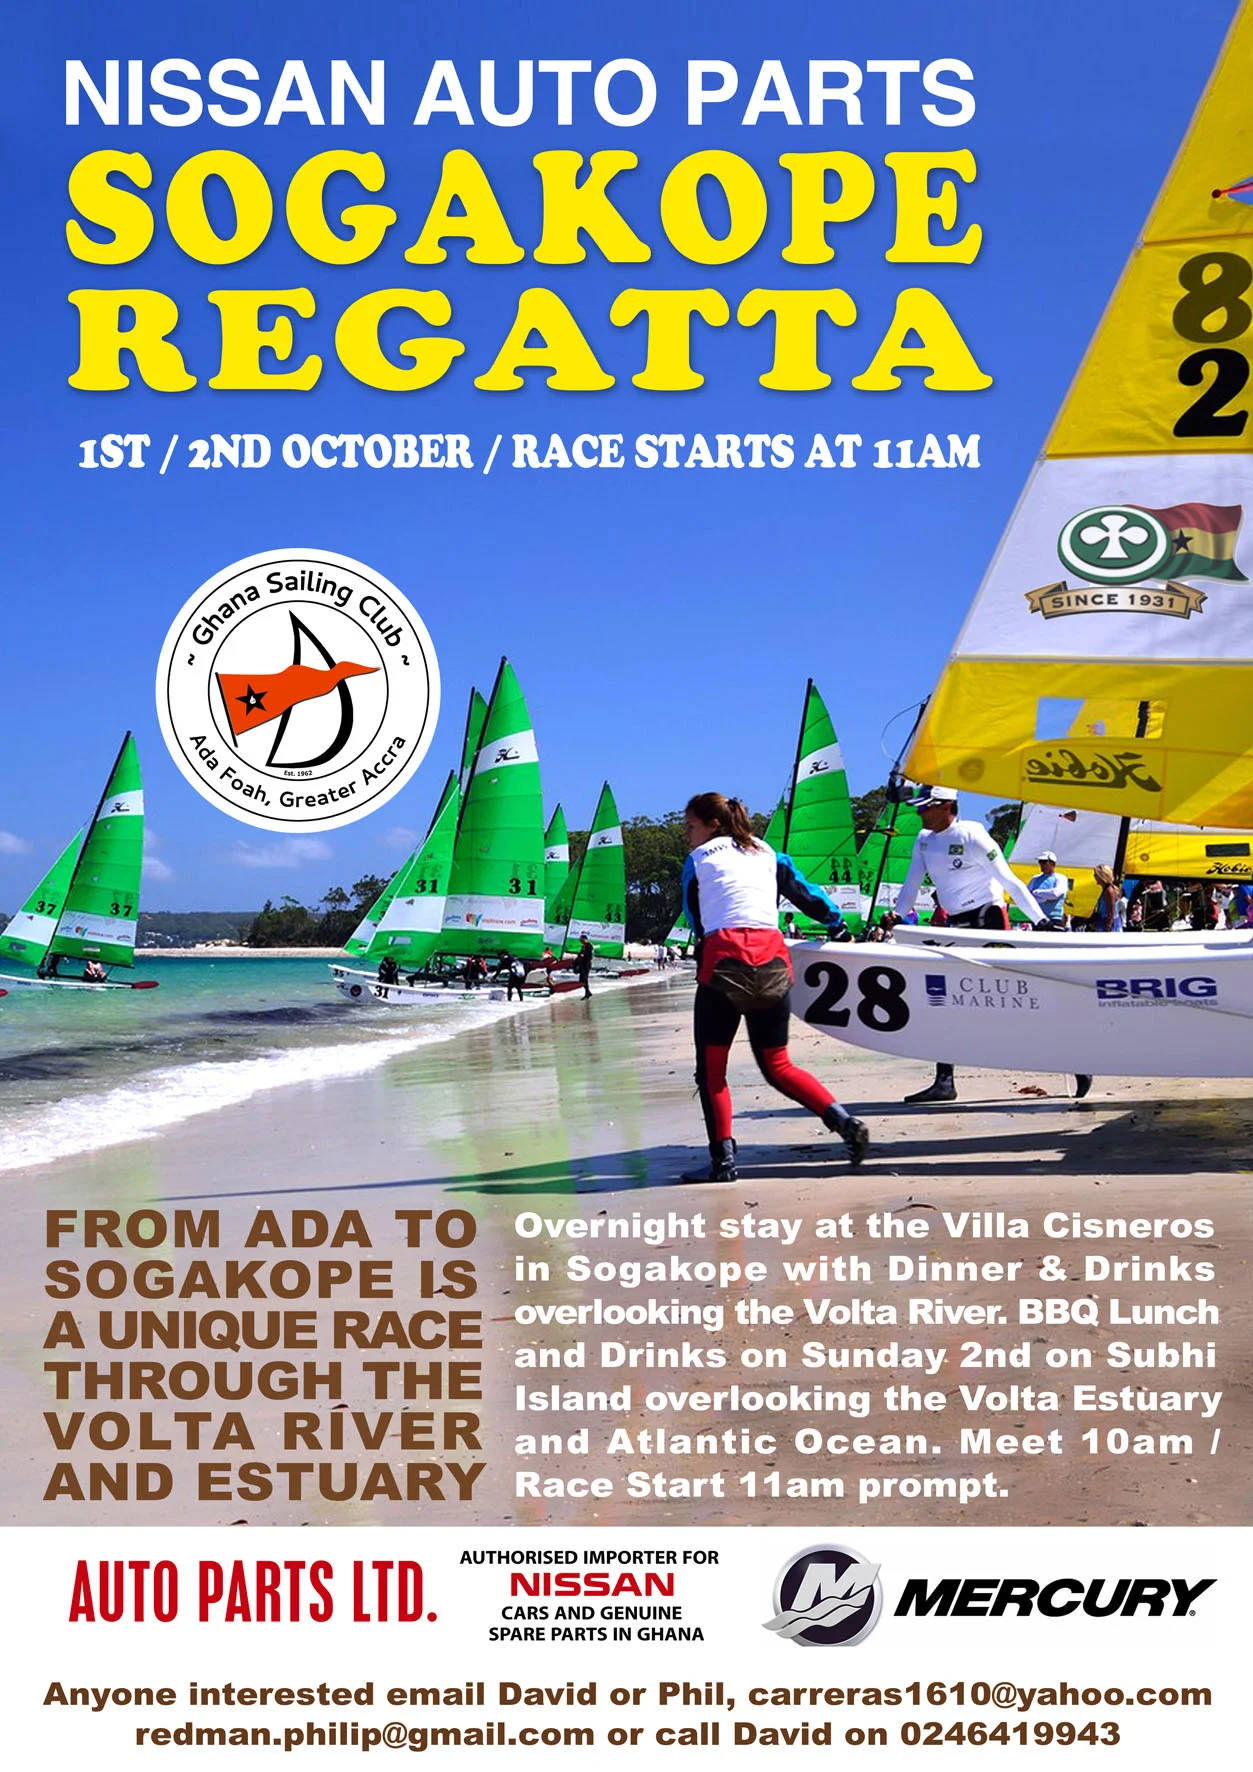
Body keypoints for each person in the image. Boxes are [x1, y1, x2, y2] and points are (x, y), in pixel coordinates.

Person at [680, 791, 869, 1182]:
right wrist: (838, 927)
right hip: (773, 964)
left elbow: (695, 917)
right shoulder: (770, 854)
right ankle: (845, 1123)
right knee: (778, 1066)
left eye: (690, 826)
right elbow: (808, 896)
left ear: (712, 825)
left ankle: (723, 1164)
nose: (687, 835)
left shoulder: (698, 859)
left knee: (712, 1074)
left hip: (724, 967)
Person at [887, 787, 1093, 1102]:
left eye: (926, 807)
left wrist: (1039, 921)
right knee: (944, 1000)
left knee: (1012, 999)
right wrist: (896, 915)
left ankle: (1076, 1061)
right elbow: (911, 884)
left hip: (989, 922)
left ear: (947, 806)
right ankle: (944, 1083)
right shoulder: (924, 840)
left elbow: (1010, 881)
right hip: (957, 928)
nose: (919, 813)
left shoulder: (973, 835)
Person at [1027, 850, 1069, 928]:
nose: (1041, 864)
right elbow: (1028, 896)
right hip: (1038, 919)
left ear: (1053, 864)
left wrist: (1036, 893)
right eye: (1040, 862)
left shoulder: (1061, 878)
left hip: (1055, 918)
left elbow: (1055, 894)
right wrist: (1046, 898)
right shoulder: (1035, 879)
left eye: (1044, 862)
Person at [573, 933, 595, 999]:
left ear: (585, 939)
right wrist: (575, 962)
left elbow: (589, 954)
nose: (580, 941)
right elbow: (580, 954)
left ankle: (587, 993)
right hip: (582, 964)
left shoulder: (589, 945)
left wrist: (583, 954)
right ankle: (588, 992)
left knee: (584, 979)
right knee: (581, 980)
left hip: (586, 964)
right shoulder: (583, 946)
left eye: (581, 939)